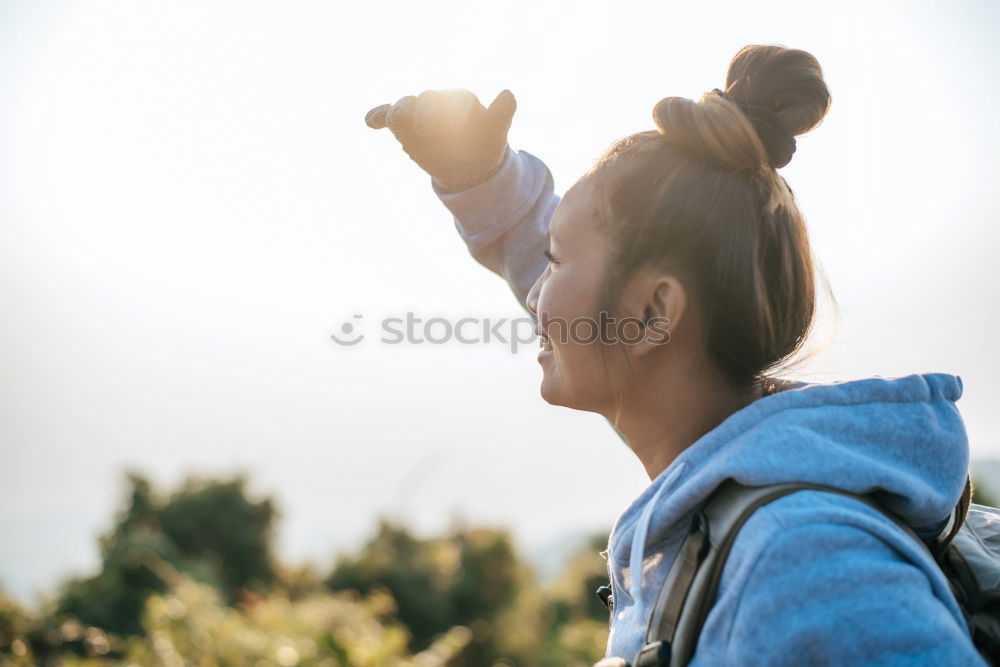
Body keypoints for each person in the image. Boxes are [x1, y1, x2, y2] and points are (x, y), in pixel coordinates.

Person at [365, 45, 984, 665]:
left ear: (655, 315)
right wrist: (484, 179)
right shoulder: (744, 514)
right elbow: (595, 304)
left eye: (554, 261)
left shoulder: (802, 564)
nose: (533, 291)